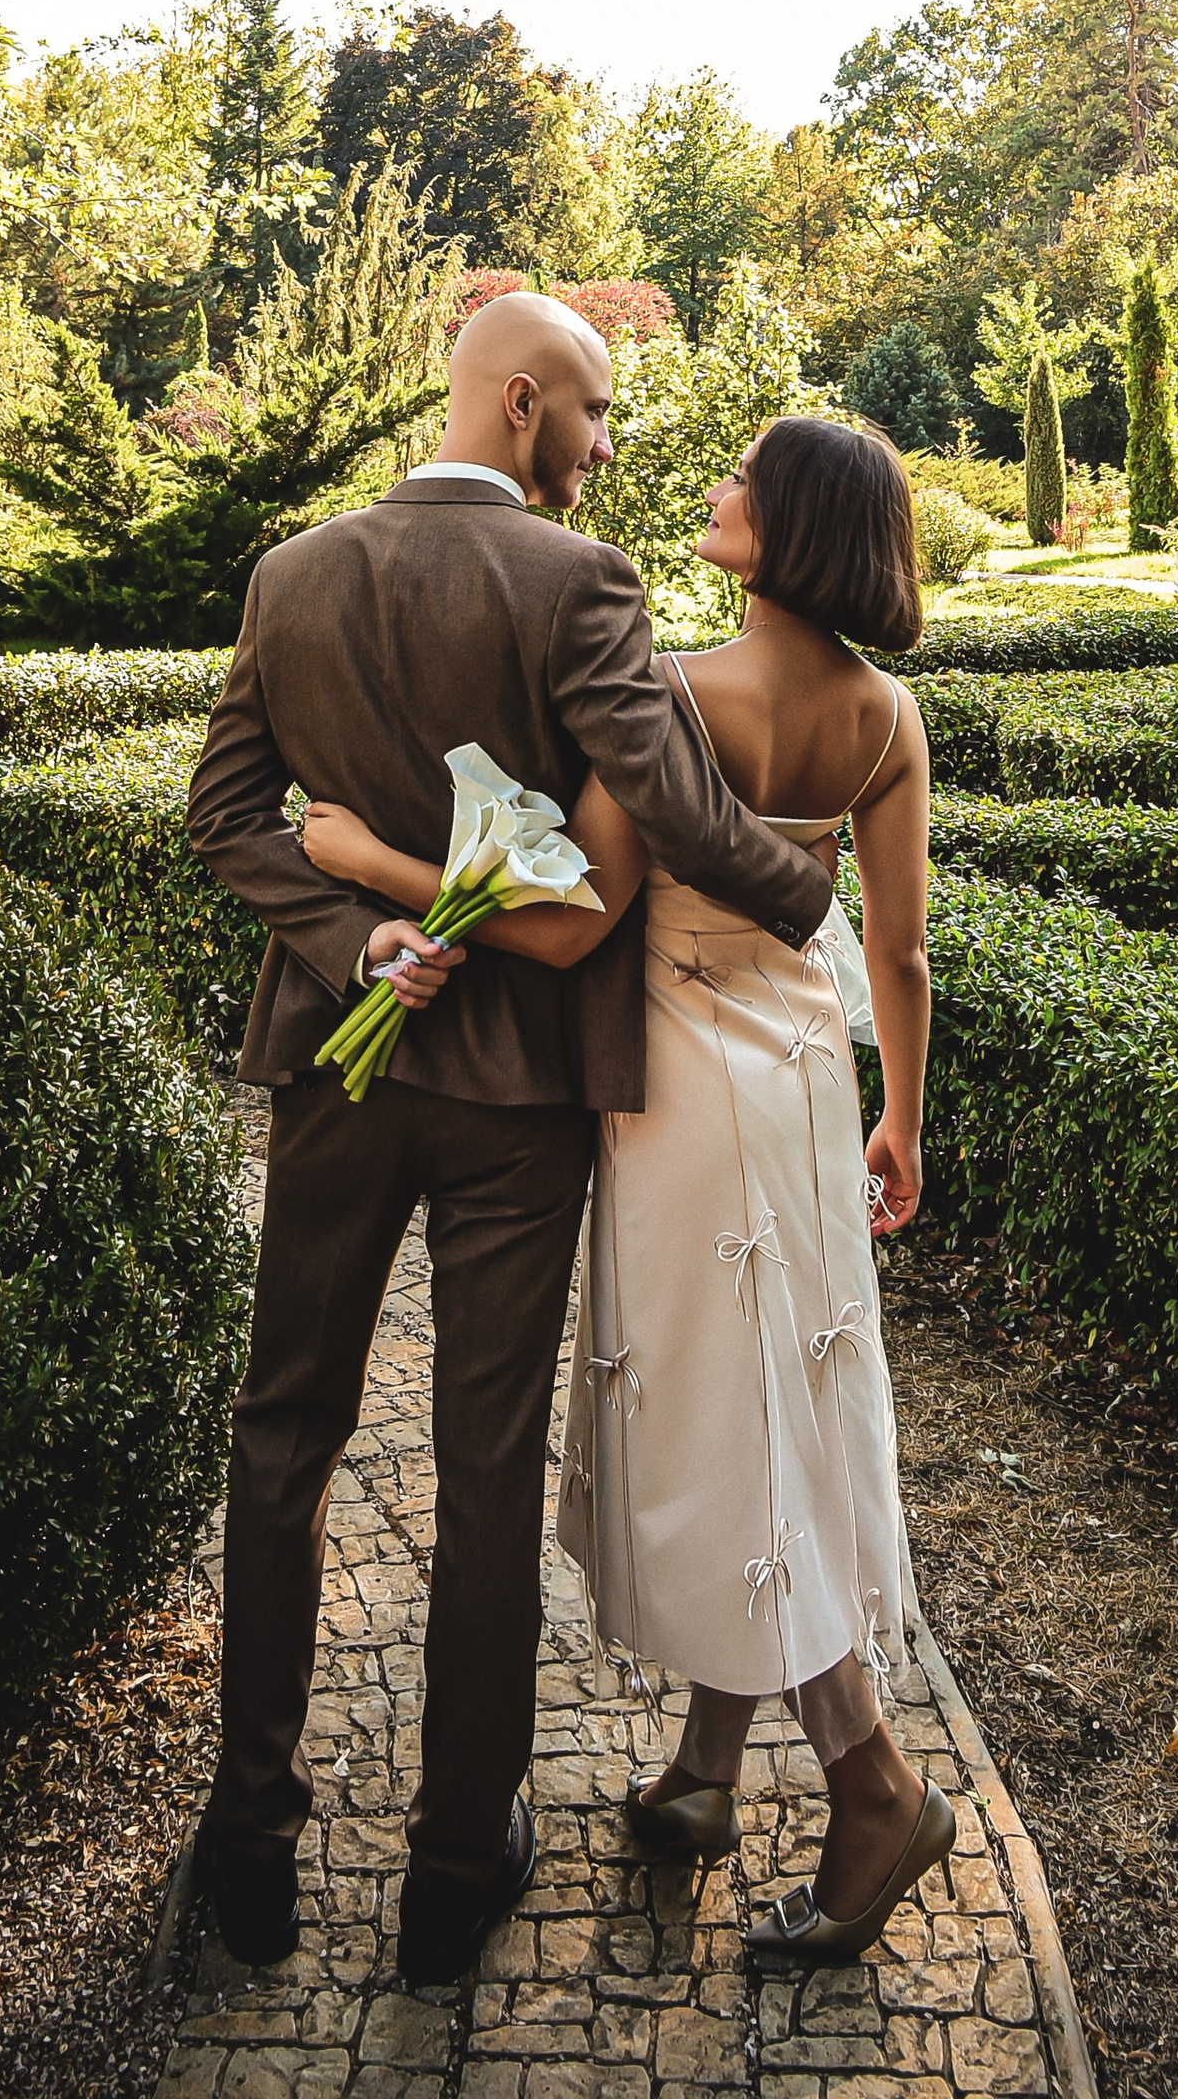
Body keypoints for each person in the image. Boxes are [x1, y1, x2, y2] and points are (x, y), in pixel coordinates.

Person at [184, 292, 833, 1990]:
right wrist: (801, 885)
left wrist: (350, 947)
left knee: (284, 1437)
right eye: (599, 413)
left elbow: (223, 815)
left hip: (339, 1063)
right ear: (525, 400)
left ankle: (248, 1843)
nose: (607, 447)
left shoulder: (292, 572)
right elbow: (678, 801)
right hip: (519, 1098)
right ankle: (454, 1871)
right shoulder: (578, 582)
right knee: (484, 1476)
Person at [300, 411, 954, 1961]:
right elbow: (901, 953)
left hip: (683, 1098)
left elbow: (569, 919)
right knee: (769, 1400)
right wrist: (902, 1121)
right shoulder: (887, 717)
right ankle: (707, 1772)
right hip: (804, 1085)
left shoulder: (674, 694)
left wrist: (372, 861)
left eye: (746, 482)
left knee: (734, 1432)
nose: (718, 493)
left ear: (793, 530)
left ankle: (873, 1786)